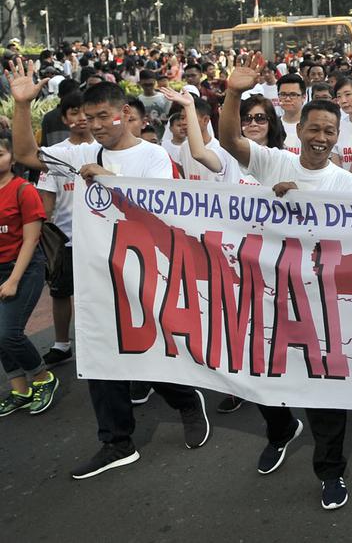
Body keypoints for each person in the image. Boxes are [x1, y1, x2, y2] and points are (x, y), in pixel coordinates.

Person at [8, 66, 212, 479]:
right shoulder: (78, 154)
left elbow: (159, 212)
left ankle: (186, 400)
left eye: (104, 116)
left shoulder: (152, 156)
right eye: (90, 117)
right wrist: (23, 104)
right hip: (95, 272)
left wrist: (110, 179)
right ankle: (117, 442)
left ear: (125, 113)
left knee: (148, 350)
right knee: (101, 354)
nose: (96, 124)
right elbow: (26, 155)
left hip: (142, 271)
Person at [220, 55, 352, 511]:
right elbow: (229, 140)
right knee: (261, 376)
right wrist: (233, 93)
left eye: (329, 131)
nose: (321, 137)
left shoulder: (344, 183)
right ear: (299, 129)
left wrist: (303, 205)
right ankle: (281, 431)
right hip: (267, 294)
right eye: (314, 128)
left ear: (337, 136)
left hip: (320, 302)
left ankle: (331, 471)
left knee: (324, 391)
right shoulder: (273, 162)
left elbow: (344, 241)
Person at [0, 136, 56, 418]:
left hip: (23, 268)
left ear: (12, 157)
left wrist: (13, 280)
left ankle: (43, 378)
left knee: (9, 333)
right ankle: (20, 390)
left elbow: (31, 240)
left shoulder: (23, 190)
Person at [36, 91, 93, 367]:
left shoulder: (105, 150)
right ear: (64, 118)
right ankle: (62, 344)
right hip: (66, 240)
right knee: (60, 293)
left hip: (98, 240)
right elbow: (46, 202)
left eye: (85, 112)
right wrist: (45, 237)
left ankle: (97, 344)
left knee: (97, 296)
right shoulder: (53, 154)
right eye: (74, 112)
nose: (81, 118)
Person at [277, 73, 307, 155]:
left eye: (293, 95)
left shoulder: (311, 125)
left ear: (304, 97)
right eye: (283, 94)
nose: (287, 99)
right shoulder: (273, 125)